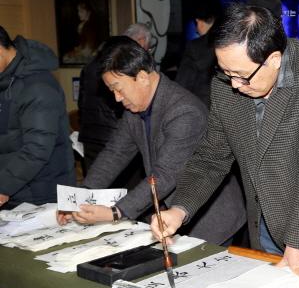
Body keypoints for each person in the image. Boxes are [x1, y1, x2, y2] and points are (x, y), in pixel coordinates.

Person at [150, 0, 299, 284]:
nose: (235, 85)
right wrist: (180, 209)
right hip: (265, 220)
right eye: (226, 73)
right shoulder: (226, 83)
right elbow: (211, 156)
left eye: (242, 75)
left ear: (274, 59)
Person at [58, 36, 246, 245]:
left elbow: (165, 175)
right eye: (111, 91)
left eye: (118, 88)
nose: (117, 98)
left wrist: (115, 212)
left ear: (142, 77)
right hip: (167, 213)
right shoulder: (135, 107)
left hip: (209, 217)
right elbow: (114, 153)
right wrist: (81, 197)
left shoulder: (184, 111)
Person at [0, 25, 76, 209]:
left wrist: (3, 186)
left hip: (40, 194)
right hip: (16, 190)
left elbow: (36, 149)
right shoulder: (6, 80)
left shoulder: (37, 86)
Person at [78, 23, 151, 173]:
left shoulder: (90, 66)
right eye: (145, 47)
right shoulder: (121, 69)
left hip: (90, 135)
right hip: (114, 136)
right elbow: (123, 106)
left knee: (97, 187)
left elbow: (81, 102)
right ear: (140, 41)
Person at [175, 6, 220, 106]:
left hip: (201, 106)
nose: (196, 30)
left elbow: (182, 83)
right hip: (227, 108)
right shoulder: (229, 42)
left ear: (199, 21)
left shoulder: (195, 47)